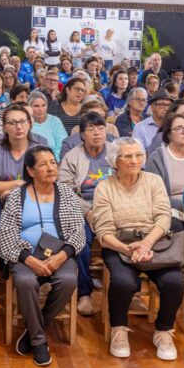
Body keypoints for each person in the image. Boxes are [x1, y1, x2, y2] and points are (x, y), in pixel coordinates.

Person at [89, 137, 184, 361]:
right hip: (119, 244)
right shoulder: (104, 187)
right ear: (115, 161)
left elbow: (163, 217)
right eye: (128, 156)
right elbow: (104, 231)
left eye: (138, 155)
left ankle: (163, 331)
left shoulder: (153, 181)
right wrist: (127, 249)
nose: (134, 160)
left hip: (155, 242)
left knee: (174, 281)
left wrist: (146, 243)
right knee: (123, 282)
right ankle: (119, 329)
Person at [0, 146, 86, 366]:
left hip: (60, 254)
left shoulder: (66, 193)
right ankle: (38, 341)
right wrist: (28, 259)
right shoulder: (17, 196)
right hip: (25, 254)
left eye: (53, 162)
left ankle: (34, 329)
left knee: (68, 280)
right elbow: (6, 233)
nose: (50, 168)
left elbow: (78, 231)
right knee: (26, 281)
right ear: (30, 170)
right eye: (43, 164)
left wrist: (61, 256)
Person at [59, 112, 116, 315]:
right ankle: (84, 293)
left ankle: (125, 290)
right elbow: (64, 190)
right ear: (82, 135)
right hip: (83, 208)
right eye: (91, 129)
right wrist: (87, 211)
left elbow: (130, 181)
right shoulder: (72, 156)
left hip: (114, 206)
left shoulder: (116, 152)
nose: (97, 133)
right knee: (80, 241)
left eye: (100, 128)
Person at [0, 105, 39, 230]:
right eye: (12, 123)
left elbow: (46, 184)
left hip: (33, 200)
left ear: (29, 124)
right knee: (11, 225)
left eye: (22, 121)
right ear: (4, 127)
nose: (18, 127)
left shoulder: (39, 148)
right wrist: (18, 184)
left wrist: (13, 192)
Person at [145, 112, 184, 224]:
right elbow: (157, 196)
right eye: (179, 128)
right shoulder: (156, 159)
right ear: (169, 134)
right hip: (172, 211)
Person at [28, 90, 68, 159]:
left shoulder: (55, 121)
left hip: (55, 161)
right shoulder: (26, 123)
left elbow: (62, 145)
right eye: (36, 106)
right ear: (29, 107)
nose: (41, 109)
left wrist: (53, 162)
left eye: (43, 105)